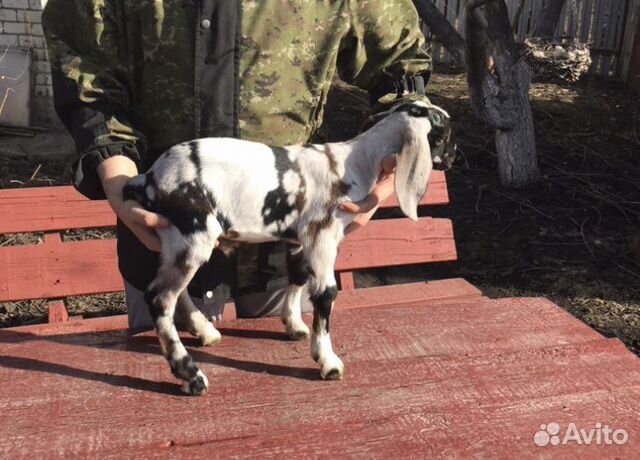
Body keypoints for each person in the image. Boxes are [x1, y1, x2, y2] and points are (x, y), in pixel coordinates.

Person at [42, 0, 433, 332]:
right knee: (162, 407)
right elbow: (84, 70)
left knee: (288, 404)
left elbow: (401, 68)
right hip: (164, 232)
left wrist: (388, 165)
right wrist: (116, 175)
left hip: (287, 248)